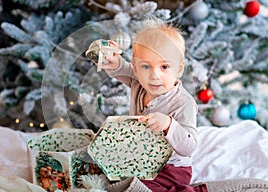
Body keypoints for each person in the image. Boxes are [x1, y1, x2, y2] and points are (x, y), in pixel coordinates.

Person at [87, 18, 207, 192]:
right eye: (146, 66)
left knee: (141, 187)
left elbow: (189, 146)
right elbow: (123, 69)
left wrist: (168, 125)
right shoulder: (139, 83)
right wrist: (114, 62)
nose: (154, 75)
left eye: (164, 67)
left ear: (179, 69)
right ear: (136, 68)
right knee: (103, 169)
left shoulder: (183, 103)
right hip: (139, 157)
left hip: (171, 168)